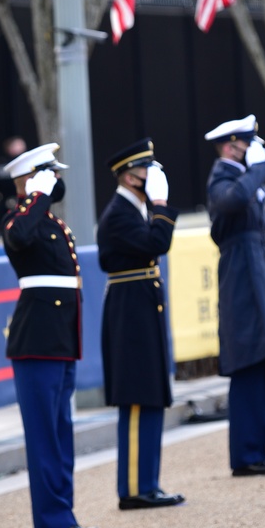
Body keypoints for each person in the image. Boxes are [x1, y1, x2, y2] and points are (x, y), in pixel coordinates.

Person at [1, 143, 102, 528]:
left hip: (59, 338)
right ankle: (52, 521)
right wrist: (36, 195)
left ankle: (65, 514)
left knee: (61, 432)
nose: (57, 181)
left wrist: (42, 198)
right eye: (48, 174)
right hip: (37, 340)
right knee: (45, 435)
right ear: (29, 179)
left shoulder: (53, 223)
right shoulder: (19, 219)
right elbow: (19, 238)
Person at [97, 138, 184, 508]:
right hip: (129, 312)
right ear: (129, 176)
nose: (151, 176)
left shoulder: (134, 209)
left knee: (150, 394)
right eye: (146, 170)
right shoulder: (119, 213)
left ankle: (147, 482)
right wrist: (162, 205)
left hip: (141, 306)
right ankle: (133, 488)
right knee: (136, 397)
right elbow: (157, 244)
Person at [205, 116, 265, 476]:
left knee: (262, 359)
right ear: (231, 146)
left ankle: (259, 449)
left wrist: (255, 175)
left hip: (256, 267)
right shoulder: (222, 178)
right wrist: (256, 172)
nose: (252, 151)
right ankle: (245, 454)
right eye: (246, 144)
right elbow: (232, 201)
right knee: (247, 361)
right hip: (240, 274)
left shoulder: (242, 177)